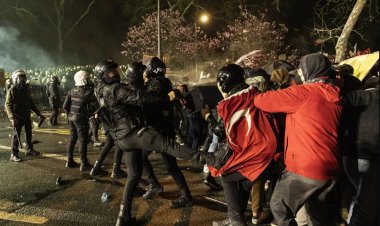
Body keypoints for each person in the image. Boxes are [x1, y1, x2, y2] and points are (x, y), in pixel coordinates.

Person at [93, 59, 199, 226]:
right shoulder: (129, 89)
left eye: (146, 71)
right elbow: (144, 100)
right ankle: (157, 191)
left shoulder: (149, 85)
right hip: (148, 132)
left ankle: (178, 190)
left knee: (167, 161)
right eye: (142, 72)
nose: (144, 74)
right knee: (148, 166)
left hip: (155, 132)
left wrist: (169, 97)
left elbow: (150, 102)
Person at [254, 53, 342, 226]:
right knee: (317, 215)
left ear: (309, 71)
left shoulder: (303, 93)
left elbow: (261, 102)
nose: (299, 73)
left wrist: (265, 89)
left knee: (279, 206)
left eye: (301, 69)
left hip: (306, 167)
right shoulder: (334, 94)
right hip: (330, 168)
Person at [202, 64, 278, 226]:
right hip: (267, 148)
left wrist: (208, 116)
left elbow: (219, 131)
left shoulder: (228, 103)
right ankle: (237, 217)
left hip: (252, 152)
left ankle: (236, 220)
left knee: (226, 176)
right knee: (242, 183)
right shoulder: (255, 92)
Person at [141, 57, 193, 208]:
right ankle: (186, 195)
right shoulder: (165, 81)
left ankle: (154, 185)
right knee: (171, 165)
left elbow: (151, 103)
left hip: (157, 130)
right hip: (165, 128)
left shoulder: (155, 84)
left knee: (140, 157)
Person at [342, 76, 379, 226]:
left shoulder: (354, 96)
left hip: (350, 154)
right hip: (372, 155)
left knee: (363, 198)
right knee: (366, 204)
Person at [63, 70, 99, 171]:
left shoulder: (71, 90)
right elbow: (97, 106)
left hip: (71, 118)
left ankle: (69, 161)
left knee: (72, 138)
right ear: (82, 80)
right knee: (83, 141)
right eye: (87, 78)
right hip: (81, 119)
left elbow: (65, 106)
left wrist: (70, 115)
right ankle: (84, 163)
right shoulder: (88, 92)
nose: (89, 80)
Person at [5, 70, 45, 162]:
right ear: (15, 79)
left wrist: (38, 113)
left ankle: (29, 150)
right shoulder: (12, 90)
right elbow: (8, 105)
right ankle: (14, 154)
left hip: (26, 115)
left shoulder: (26, 89)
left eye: (23, 77)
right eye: (20, 77)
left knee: (28, 134)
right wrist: (12, 118)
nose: (22, 79)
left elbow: (30, 103)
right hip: (17, 116)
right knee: (16, 136)